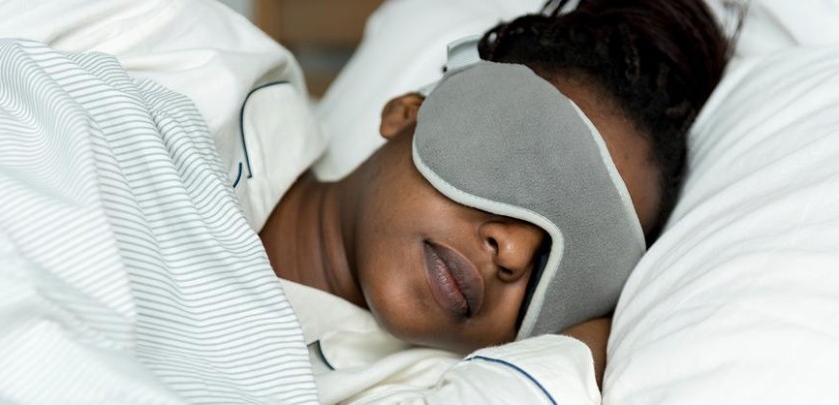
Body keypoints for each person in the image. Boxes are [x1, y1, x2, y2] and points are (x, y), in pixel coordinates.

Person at [257, 0, 729, 391]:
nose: (515, 253)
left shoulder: (407, 386)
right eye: (522, 169)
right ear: (408, 112)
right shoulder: (222, 75)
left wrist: (585, 343)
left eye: (570, 269)